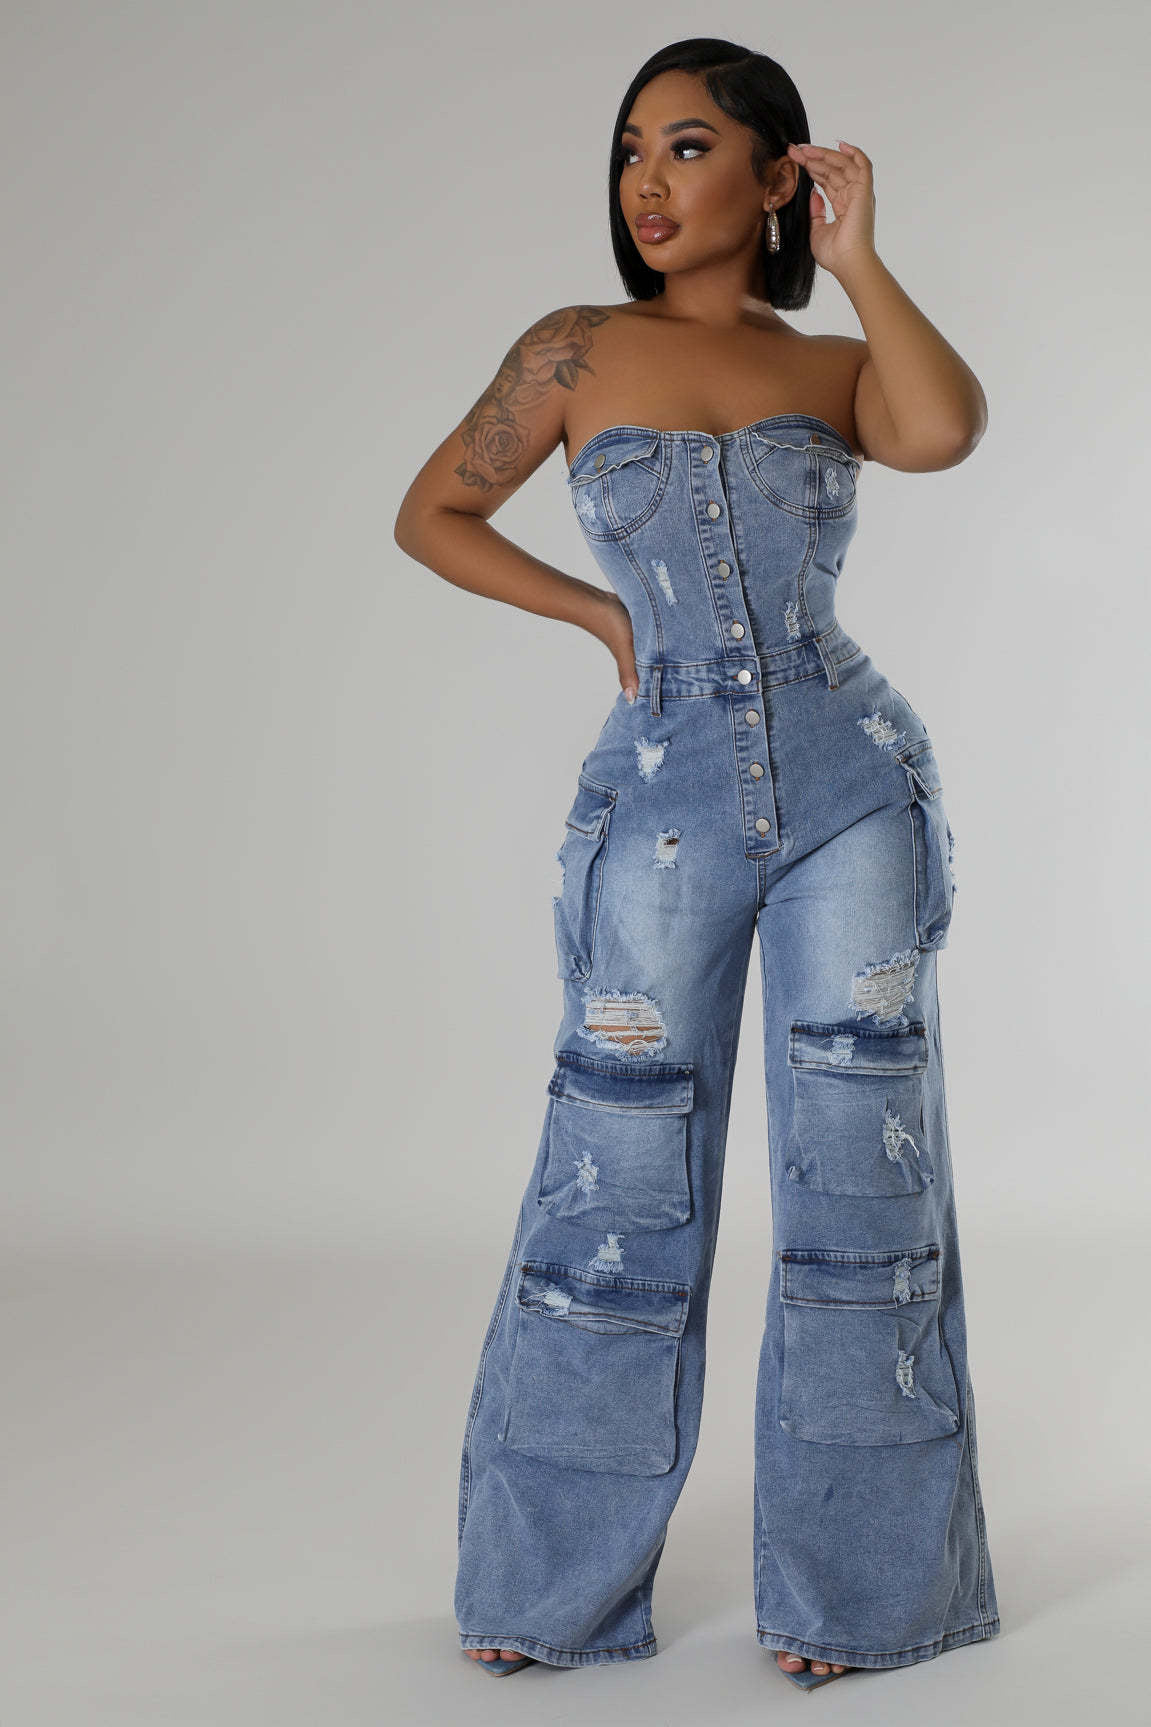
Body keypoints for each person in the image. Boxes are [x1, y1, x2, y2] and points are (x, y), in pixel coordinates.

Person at [394, 35, 1001, 1691]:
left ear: (775, 173)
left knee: (864, 1183)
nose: (646, 183)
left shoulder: (835, 364)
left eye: (686, 146)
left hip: (854, 792)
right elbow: (433, 515)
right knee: (618, 1177)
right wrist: (601, 616)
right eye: (630, 152)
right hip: (658, 803)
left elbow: (944, 430)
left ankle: (867, 1600)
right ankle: (551, 1589)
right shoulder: (574, 348)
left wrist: (859, 259)